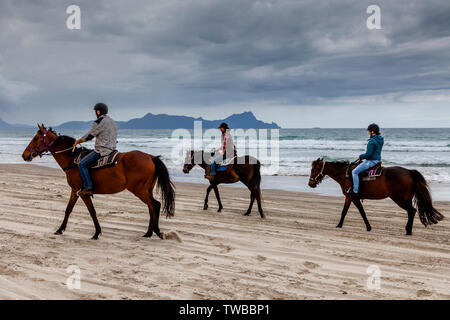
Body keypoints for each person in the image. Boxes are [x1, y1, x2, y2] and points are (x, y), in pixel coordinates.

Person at [73, 103, 118, 196]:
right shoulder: (113, 122)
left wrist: (78, 141)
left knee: (82, 164)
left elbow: (90, 135)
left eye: (95, 111)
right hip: (113, 149)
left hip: (102, 150)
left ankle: (88, 187)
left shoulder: (99, 121)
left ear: (98, 111)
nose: (95, 113)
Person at [349, 123, 384, 196]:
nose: (368, 133)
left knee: (354, 172)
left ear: (372, 132)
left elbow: (368, 155)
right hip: (378, 161)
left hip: (371, 161)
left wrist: (361, 156)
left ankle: (355, 191)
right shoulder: (380, 140)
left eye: (369, 131)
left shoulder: (372, 141)